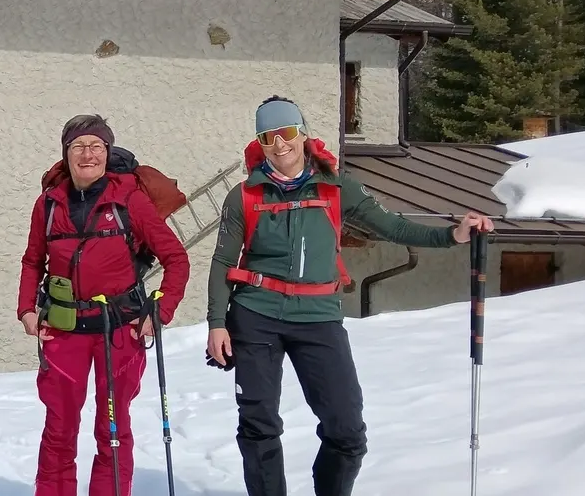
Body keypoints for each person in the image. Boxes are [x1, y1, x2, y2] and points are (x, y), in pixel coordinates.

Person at [206, 97, 495, 496]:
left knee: (347, 430)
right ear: (260, 142)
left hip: (319, 318)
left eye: (287, 133)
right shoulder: (244, 196)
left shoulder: (339, 189)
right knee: (258, 425)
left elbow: (393, 228)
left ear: (303, 135)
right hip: (256, 315)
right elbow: (223, 261)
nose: (279, 144)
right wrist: (217, 323)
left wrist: (452, 235)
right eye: (268, 136)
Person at [19, 115, 191, 496]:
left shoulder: (130, 200)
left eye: (96, 146)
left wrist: (160, 311)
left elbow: (176, 259)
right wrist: (27, 310)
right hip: (65, 329)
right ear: (66, 154)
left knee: (111, 429)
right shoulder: (48, 204)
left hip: (120, 331)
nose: (88, 154)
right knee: (59, 428)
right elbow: (33, 261)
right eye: (79, 146)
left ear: (107, 152)